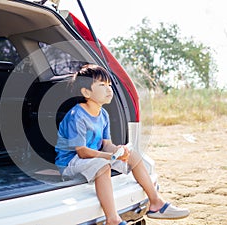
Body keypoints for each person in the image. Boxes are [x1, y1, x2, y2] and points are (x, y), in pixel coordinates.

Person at [55, 64, 190, 225]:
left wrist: (119, 150)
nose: (109, 89)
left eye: (110, 85)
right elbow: (82, 152)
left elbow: (106, 144)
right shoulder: (76, 115)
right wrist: (109, 156)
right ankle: (112, 219)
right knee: (103, 166)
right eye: (102, 85)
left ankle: (156, 203)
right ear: (86, 92)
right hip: (71, 161)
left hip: (93, 157)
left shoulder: (103, 114)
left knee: (133, 155)